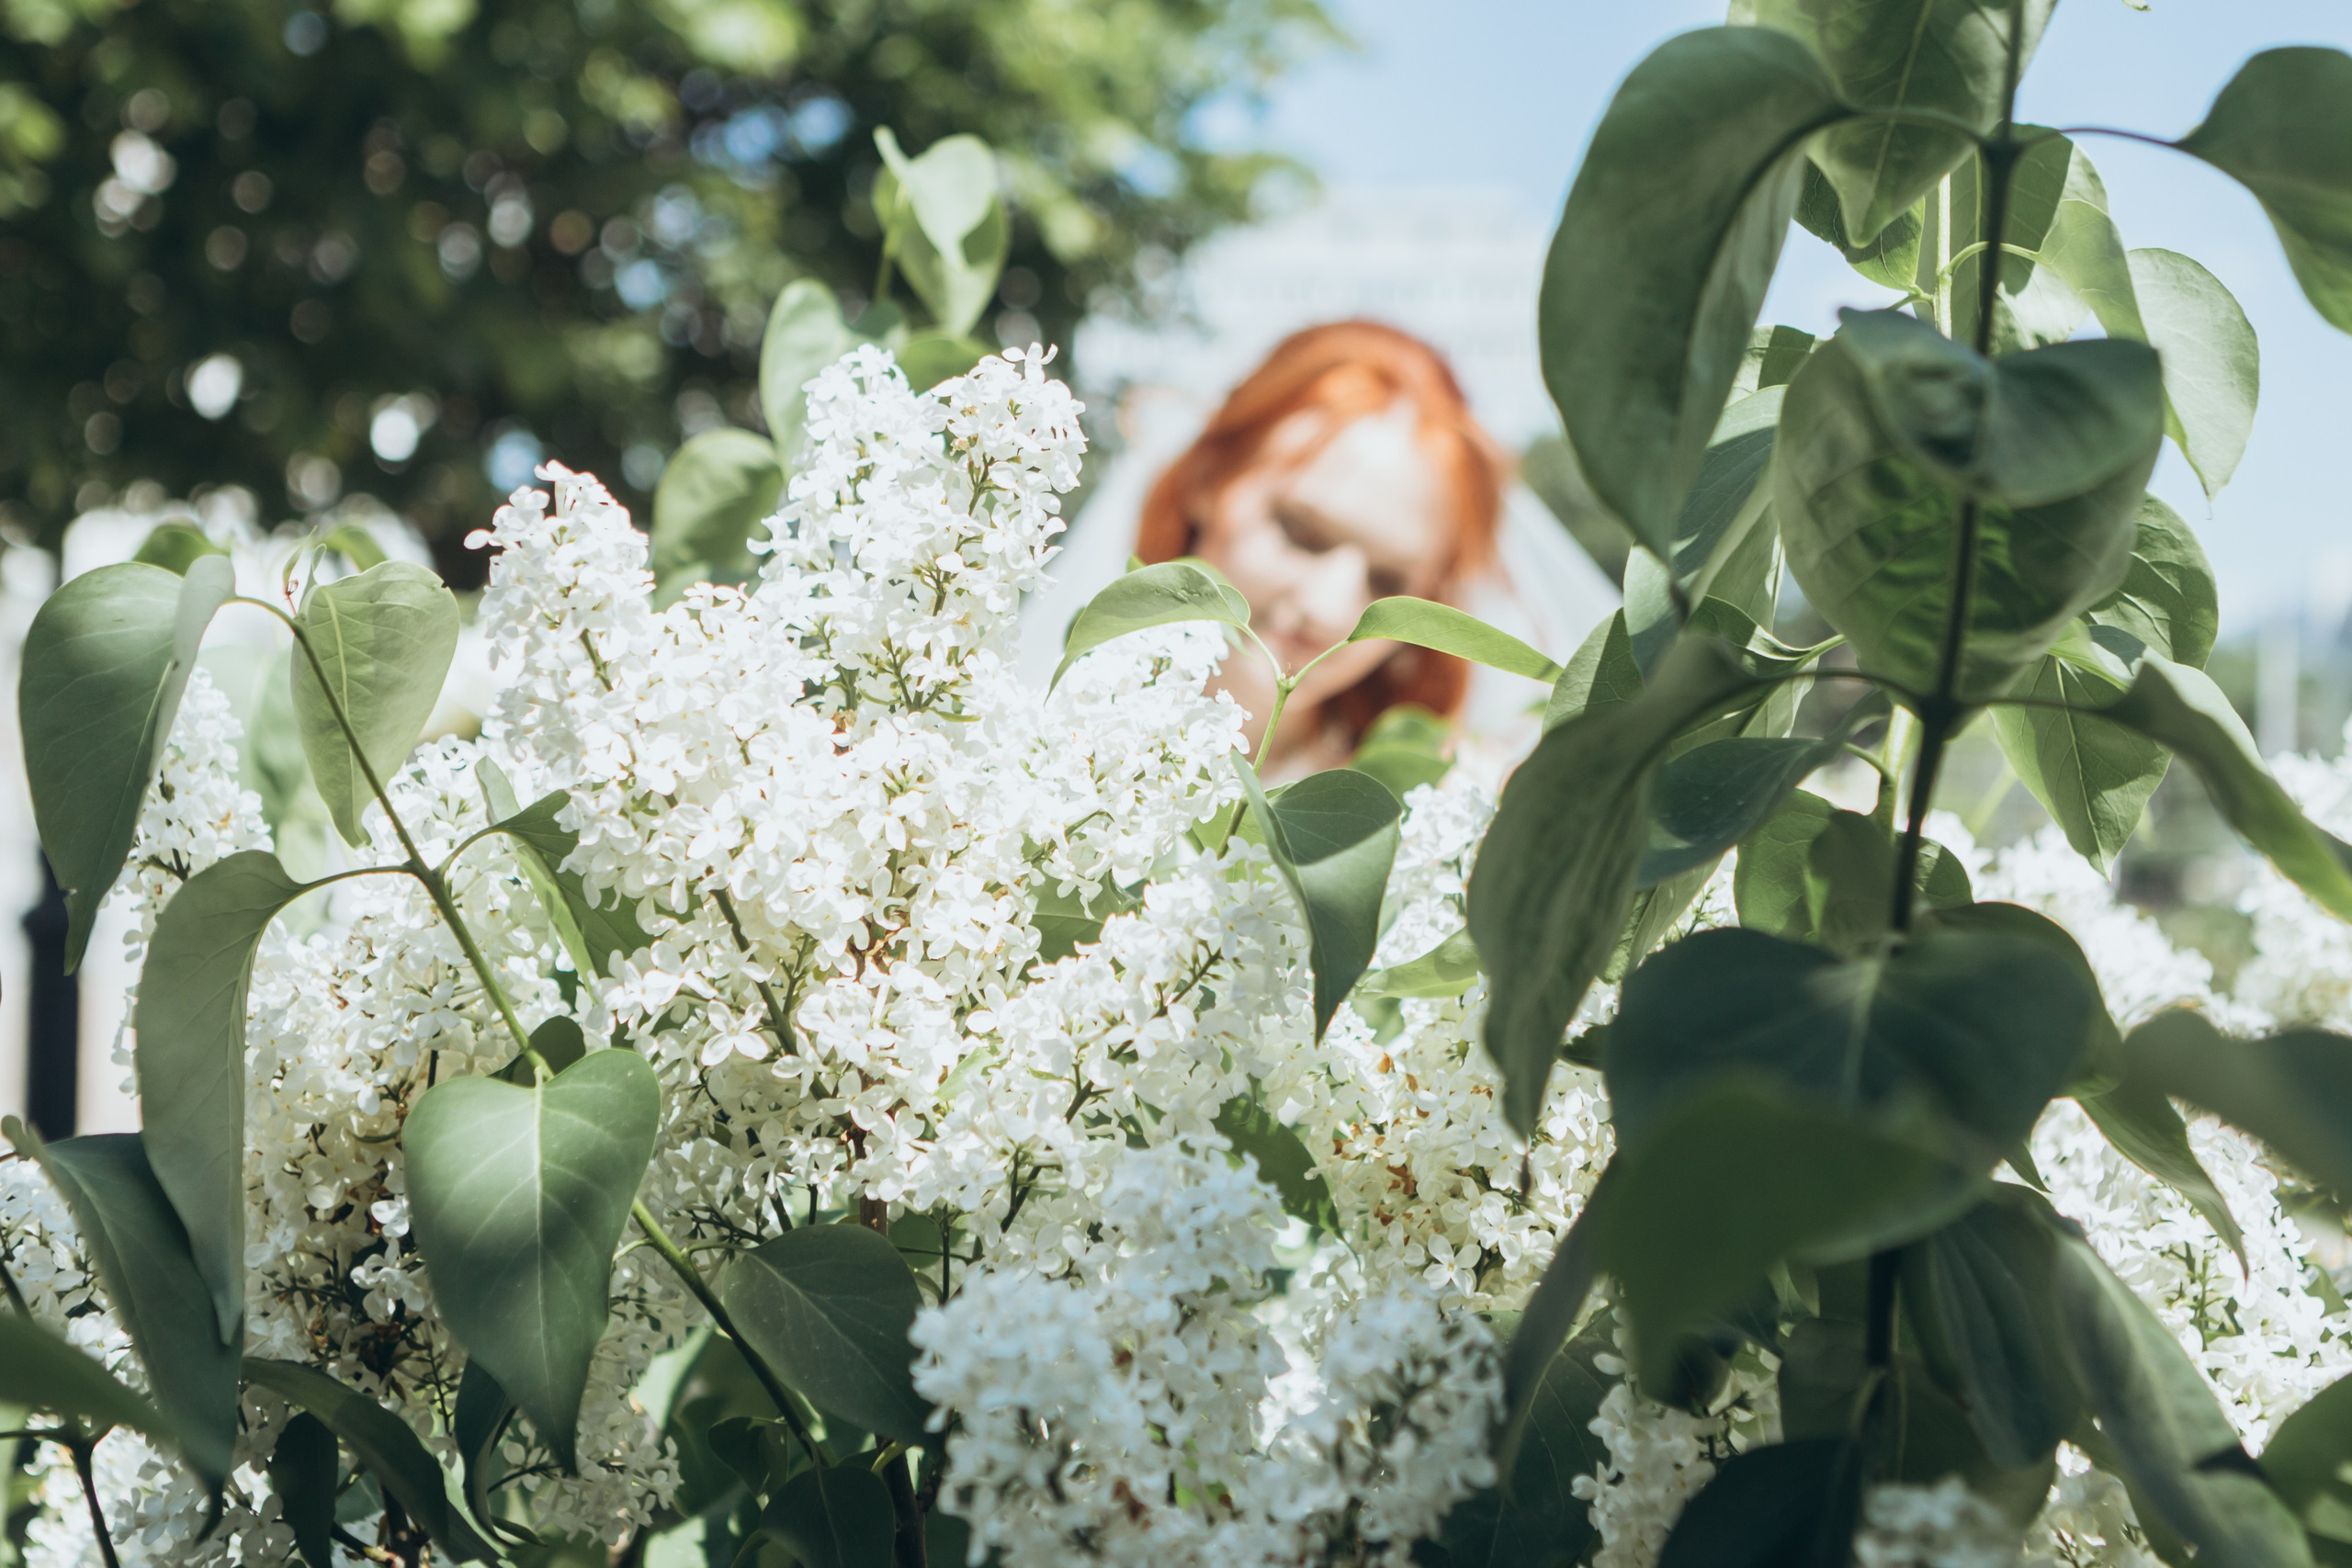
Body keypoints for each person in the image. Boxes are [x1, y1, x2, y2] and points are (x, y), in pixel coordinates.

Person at [1023, 320, 1616, 777]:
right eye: (1300, 532)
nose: (1331, 610)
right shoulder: (1025, 734)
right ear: (1207, 479)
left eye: (1388, 582)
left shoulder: (1436, 814)